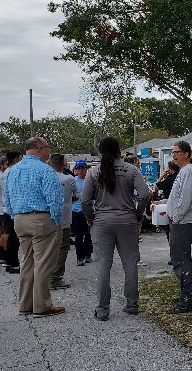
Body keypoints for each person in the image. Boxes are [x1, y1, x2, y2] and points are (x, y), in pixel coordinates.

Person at [82, 137, 149, 321]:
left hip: (102, 222)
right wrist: (137, 214)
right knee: (130, 263)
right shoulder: (131, 170)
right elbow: (144, 195)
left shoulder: (93, 172)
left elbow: (85, 200)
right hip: (127, 221)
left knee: (103, 265)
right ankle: (132, 305)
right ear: (119, 149)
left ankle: (103, 309)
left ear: (101, 151)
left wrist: (92, 219)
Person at [4, 137, 65, 318]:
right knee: (43, 264)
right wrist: (57, 220)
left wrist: (16, 216)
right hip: (42, 219)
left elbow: (7, 199)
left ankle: (25, 304)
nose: (48, 151)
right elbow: (54, 199)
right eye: (47, 148)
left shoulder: (11, 171)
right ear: (40, 149)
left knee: (27, 262)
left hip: (20, 220)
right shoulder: (45, 170)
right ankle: (42, 305)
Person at [166, 140, 192, 313]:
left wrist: (176, 218)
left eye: (176, 152)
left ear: (186, 154)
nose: (174, 155)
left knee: (180, 260)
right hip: (180, 221)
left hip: (182, 222)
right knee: (180, 258)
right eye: (173, 152)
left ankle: (187, 299)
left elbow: (185, 200)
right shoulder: (184, 171)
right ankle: (186, 293)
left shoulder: (188, 171)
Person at [49, 154, 76, 290]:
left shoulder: (45, 177)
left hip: (47, 219)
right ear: (63, 164)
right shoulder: (68, 178)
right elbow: (74, 193)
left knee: (47, 249)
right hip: (63, 219)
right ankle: (56, 278)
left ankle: (45, 276)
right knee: (62, 249)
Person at [0, 152, 22, 274]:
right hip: (9, 209)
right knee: (12, 237)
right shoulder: (11, 172)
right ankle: (12, 262)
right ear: (16, 159)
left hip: (7, 208)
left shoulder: (7, 172)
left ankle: (7, 259)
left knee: (10, 236)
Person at [72, 161, 93, 266]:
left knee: (89, 234)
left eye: (82, 168)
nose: (80, 170)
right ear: (75, 169)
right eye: (78, 168)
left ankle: (88, 254)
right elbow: (67, 195)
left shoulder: (91, 180)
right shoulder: (72, 181)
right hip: (77, 211)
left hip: (89, 211)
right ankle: (80, 257)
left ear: (86, 169)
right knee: (79, 235)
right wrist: (75, 197)